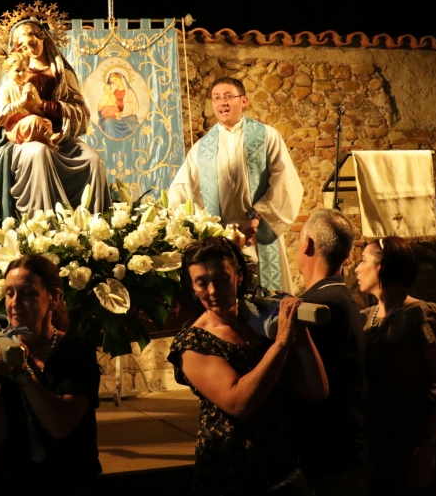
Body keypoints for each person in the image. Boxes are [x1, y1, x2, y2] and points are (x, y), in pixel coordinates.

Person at [167, 237, 329, 495]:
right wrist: (281, 343)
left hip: (282, 463)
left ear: (239, 276)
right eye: (201, 283)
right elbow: (239, 403)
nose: (212, 291)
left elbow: (316, 390)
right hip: (232, 471)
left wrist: (298, 329)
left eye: (221, 279)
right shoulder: (193, 342)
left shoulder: (261, 323)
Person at [0, 11, 108, 220]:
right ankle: (42, 226)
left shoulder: (62, 73)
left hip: (59, 137)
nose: (28, 47)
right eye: (21, 45)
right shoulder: (12, 76)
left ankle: (94, 226)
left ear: (43, 36)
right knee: (38, 153)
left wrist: (42, 105)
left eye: (31, 39)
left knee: (93, 159)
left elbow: (81, 112)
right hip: (23, 138)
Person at [168, 76, 303, 292]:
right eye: (217, 98)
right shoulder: (202, 148)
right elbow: (181, 188)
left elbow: (285, 181)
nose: (222, 102)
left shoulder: (267, 136)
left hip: (257, 233)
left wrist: (258, 219)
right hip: (219, 236)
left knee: (266, 298)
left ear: (244, 100)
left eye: (228, 97)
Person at [0, 254, 101, 495]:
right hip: (11, 483)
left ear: (54, 297)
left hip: (68, 483)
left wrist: (22, 371)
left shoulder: (76, 352)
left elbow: (61, 425)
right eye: (9, 293)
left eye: (27, 293)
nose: (15, 302)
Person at [356, 237, 436, 496]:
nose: (357, 268)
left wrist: (429, 445)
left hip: (415, 437)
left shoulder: (421, 315)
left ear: (382, 267)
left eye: (364, 261)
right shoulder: (365, 320)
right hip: (381, 440)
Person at [295, 209, 369, 495]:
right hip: (345, 446)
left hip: (329, 453)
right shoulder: (340, 297)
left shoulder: (318, 309)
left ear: (307, 244)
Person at [0, 51, 61, 150]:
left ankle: (48, 141)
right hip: (15, 126)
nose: (22, 74)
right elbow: (4, 111)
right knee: (34, 121)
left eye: (24, 70)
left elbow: (35, 108)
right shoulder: (5, 90)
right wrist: (22, 102)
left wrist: (35, 104)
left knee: (46, 122)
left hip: (30, 119)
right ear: (8, 71)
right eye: (17, 70)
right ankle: (47, 139)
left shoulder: (27, 86)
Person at [96, 71, 140, 138]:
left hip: (127, 116)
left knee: (133, 121)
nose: (115, 83)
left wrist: (123, 111)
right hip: (114, 116)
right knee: (107, 122)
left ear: (121, 78)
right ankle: (111, 142)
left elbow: (135, 107)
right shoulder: (112, 92)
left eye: (115, 80)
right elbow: (106, 103)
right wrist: (102, 106)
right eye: (112, 82)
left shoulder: (130, 92)